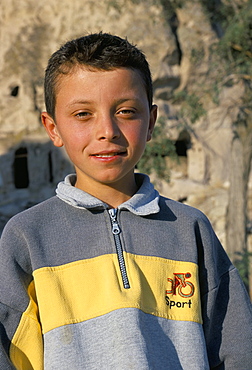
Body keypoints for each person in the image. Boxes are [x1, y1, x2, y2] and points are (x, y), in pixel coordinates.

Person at [0, 32, 251, 370]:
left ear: (151, 121)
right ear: (52, 127)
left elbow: (236, 352)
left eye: (126, 111)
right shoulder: (28, 238)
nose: (107, 130)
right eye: (83, 114)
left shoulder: (190, 230)